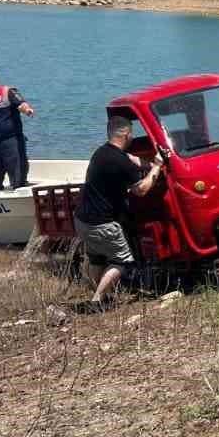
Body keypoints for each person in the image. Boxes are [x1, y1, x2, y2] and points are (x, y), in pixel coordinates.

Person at [75, 114, 165, 305]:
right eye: (131, 134)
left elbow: (132, 159)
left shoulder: (102, 152)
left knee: (97, 258)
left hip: (83, 220)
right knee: (122, 261)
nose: (132, 138)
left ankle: (96, 291)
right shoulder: (119, 161)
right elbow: (141, 190)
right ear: (126, 135)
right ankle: (98, 300)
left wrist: (150, 165)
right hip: (102, 223)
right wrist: (157, 168)